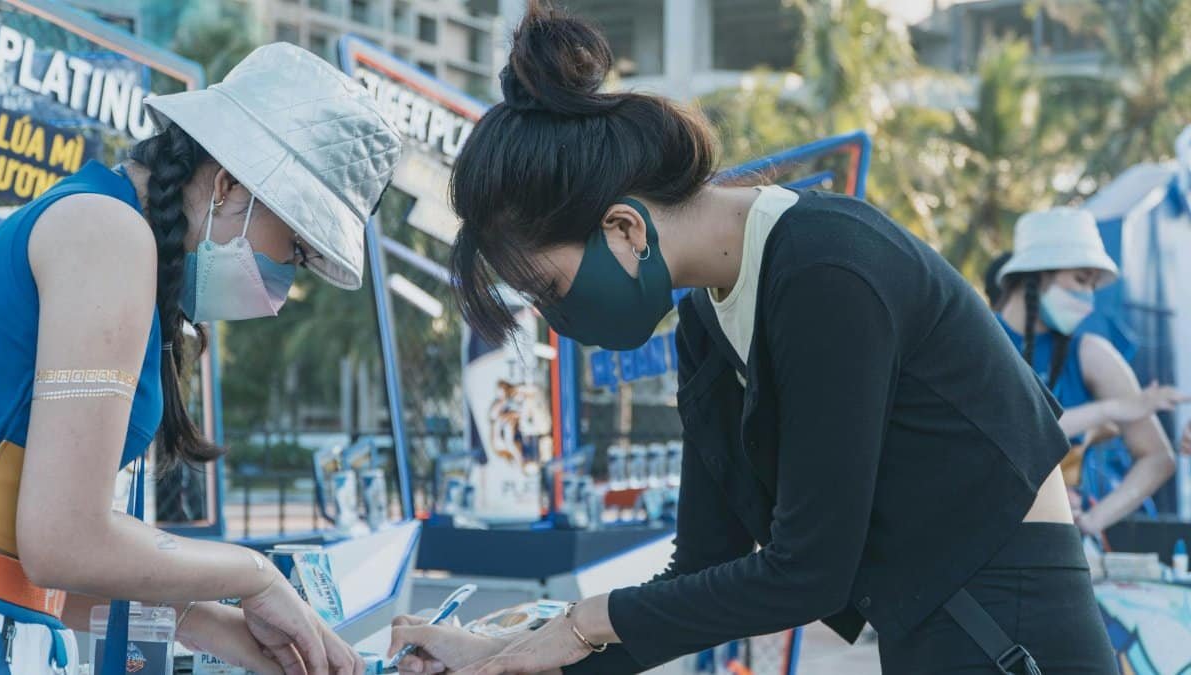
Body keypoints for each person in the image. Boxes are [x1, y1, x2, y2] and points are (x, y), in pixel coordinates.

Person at [385, 3, 1116, 674]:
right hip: (932, 621)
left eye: (548, 288)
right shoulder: (708, 320)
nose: (553, 317)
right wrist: (501, 655)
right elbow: (702, 571)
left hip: (1012, 623)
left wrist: (581, 623)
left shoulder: (829, 268)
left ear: (624, 229)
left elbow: (807, 571)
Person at [0, 43, 399, 674]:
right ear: (231, 182)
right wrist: (256, 576)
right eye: (293, 246)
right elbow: (63, 542)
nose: (286, 276)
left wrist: (218, 627)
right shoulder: (108, 234)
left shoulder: (110, 236)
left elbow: (25, 564)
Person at [995, 208, 1181, 537]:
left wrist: (1089, 523)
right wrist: (1108, 410)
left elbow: (1158, 458)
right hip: (982, 540)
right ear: (1035, 275)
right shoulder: (980, 344)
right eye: (1081, 280)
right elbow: (1008, 431)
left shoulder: (1091, 353)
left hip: (1054, 546)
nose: (1088, 299)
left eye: (1094, 284)